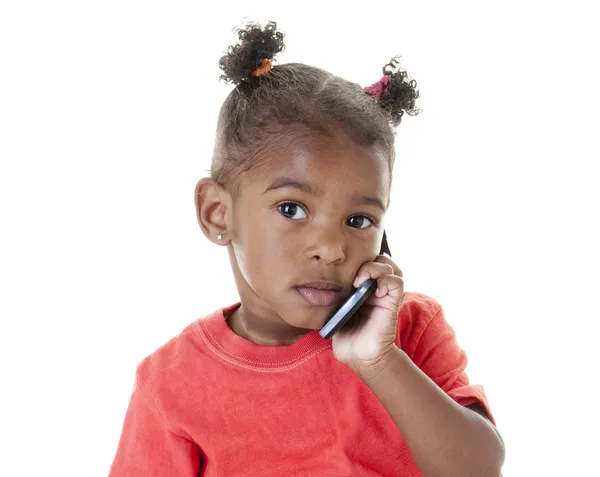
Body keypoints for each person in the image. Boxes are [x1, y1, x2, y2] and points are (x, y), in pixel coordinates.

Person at [108, 20, 505, 477]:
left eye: (359, 221)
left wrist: (380, 363)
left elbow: (481, 469)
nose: (331, 249)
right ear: (218, 212)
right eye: (293, 209)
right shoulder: (170, 384)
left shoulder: (410, 331)